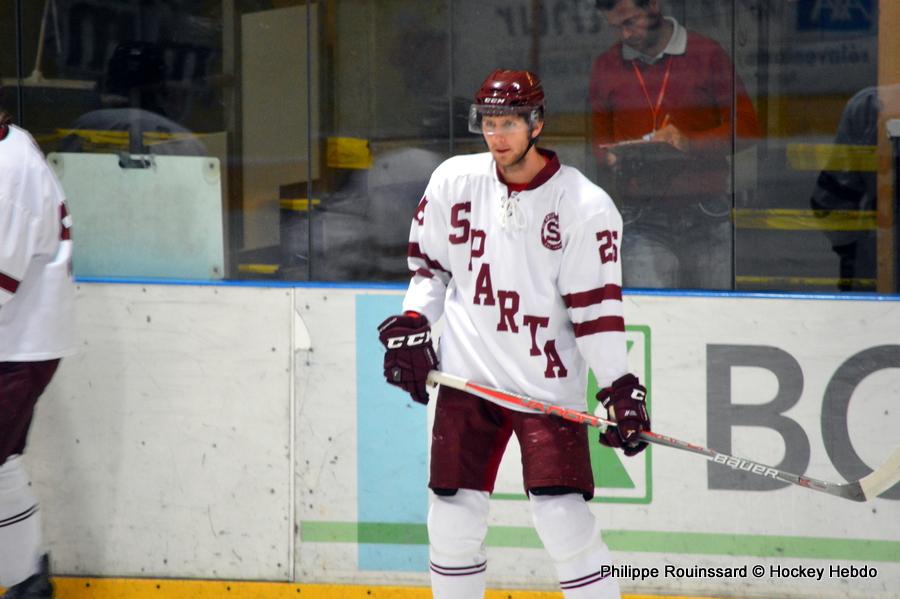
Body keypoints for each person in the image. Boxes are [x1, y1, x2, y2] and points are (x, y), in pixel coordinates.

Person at [377, 69, 650, 599]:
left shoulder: (585, 207)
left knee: (562, 517)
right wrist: (415, 322)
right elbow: (430, 271)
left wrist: (619, 386)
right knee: (452, 519)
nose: (496, 135)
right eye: (487, 122)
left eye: (507, 122)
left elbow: (595, 313)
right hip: (467, 378)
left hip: (543, 388)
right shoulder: (454, 180)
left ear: (536, 123)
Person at [589, 0, 760, 289]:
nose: (625, 35)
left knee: (716, 320)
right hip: (641, 215)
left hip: (706, 209)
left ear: (653, 5)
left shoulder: (706, 54)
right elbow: (597, 144)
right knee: (654, 321)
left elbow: (747, 128)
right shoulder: (607, 66)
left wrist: (689, 143)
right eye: (616, 27)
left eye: (630, 22)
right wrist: (614, 159)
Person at [0, 105, 76, 598]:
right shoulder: (12, 144)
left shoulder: (8, 171)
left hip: (16, 347)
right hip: (17, 342)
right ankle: (28, 582)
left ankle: (28, 581)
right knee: (1, 462)